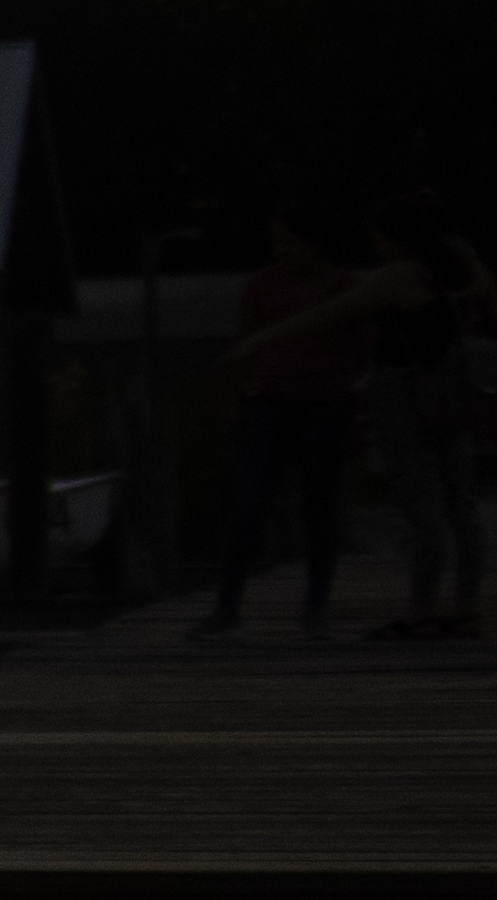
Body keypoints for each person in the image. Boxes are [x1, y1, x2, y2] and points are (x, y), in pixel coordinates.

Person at [203, 207, 391, 637]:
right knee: (250, 505)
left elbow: (368, 348)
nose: (282, 250)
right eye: (278, 242)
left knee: (320, 506)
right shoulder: (262, 285)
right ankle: (226, 605)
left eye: (290, 241)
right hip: (269, 402)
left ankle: (315, 606)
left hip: (326, 405)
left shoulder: (346, 287)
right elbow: (245, 343)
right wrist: (234, 403)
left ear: (316, 242)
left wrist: (361, 405)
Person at [372, 211, 483, 644]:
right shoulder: (462, 273)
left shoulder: (401, 275)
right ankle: (467, 604)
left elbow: (333, 311)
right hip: (454, 393)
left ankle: (422, 609)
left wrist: (260, 341)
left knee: (423, 508)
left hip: (408, 395)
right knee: (461, 501)